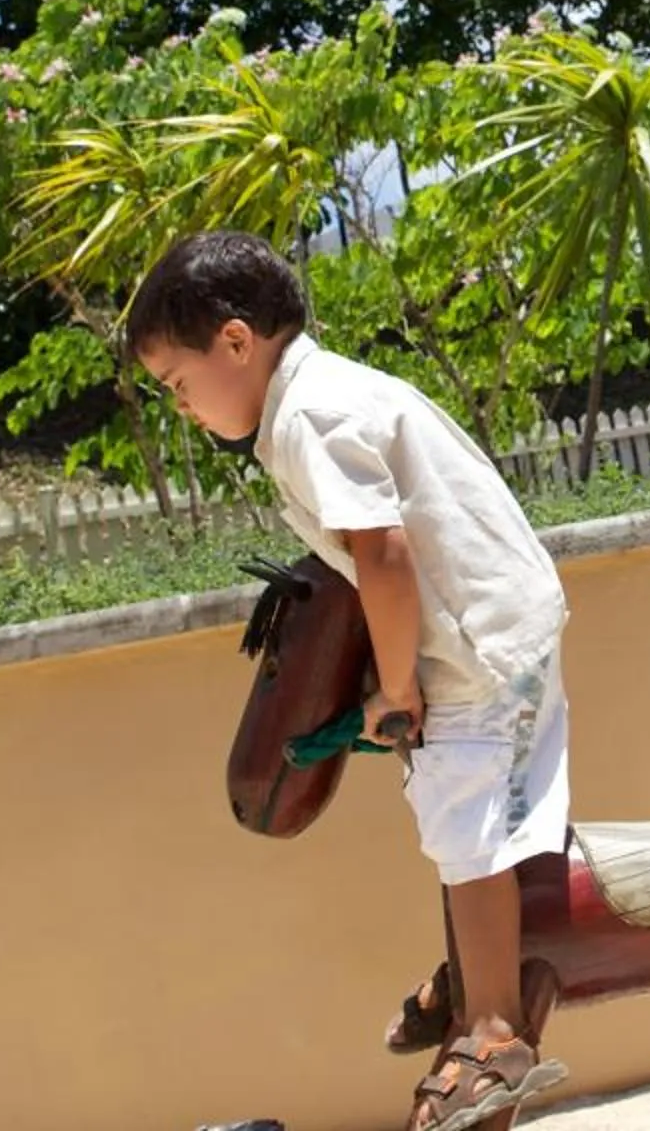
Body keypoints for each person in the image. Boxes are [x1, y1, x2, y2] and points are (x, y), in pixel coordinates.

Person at [129, 231, 572, 1131]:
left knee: (470, 823)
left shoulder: (310, 419)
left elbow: (384, 552)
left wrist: (398, 687)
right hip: (493, 628)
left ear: (238, 342)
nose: (179, 405)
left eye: (178, 382)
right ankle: (474, 974)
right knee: (465, 812)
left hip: (478, 647)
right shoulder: (322, 399)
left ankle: (492, 1029)